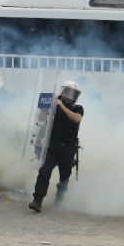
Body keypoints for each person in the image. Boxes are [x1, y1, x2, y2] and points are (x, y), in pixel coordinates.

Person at [29, 81, 84, 213]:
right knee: (44, 171)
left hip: (68, 148)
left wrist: (62, 107)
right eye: (67, 92)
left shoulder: (78, 108)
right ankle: (37, 200)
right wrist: (45, 108)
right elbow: (41, 118)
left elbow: (76, 119)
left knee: (64, 176)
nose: (69, 96)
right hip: (53, 146)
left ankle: (59, 200)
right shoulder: (54, 103)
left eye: (73, 94)